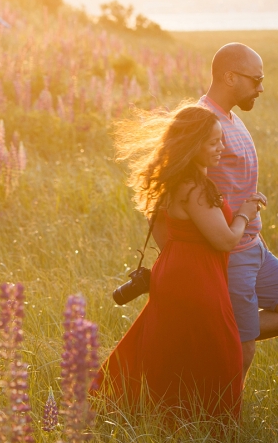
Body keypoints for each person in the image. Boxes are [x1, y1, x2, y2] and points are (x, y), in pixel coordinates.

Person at [95, 105, 262, 418]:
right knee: (222, 351)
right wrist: (245, 214)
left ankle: (169, 420)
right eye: (213, 142)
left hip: (172, 272)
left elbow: (163, 233)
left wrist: (182, 256)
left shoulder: (170, 183)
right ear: (193, 144)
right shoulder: (196, 188)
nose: (221, 148)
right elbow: (225, 240)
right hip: (198, 279)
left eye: (221, 140)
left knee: (173, 351)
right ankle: (213, 428)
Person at [187, 43, 278, 380]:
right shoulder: (204, 122)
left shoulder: (231, 117)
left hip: (254, 248)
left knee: (241, 336)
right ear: (229, 77)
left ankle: (228, 328)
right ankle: (225, 421)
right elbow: (184, 190)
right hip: (232, 254)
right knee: (242, 349)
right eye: (256, 79)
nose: (261, 87)